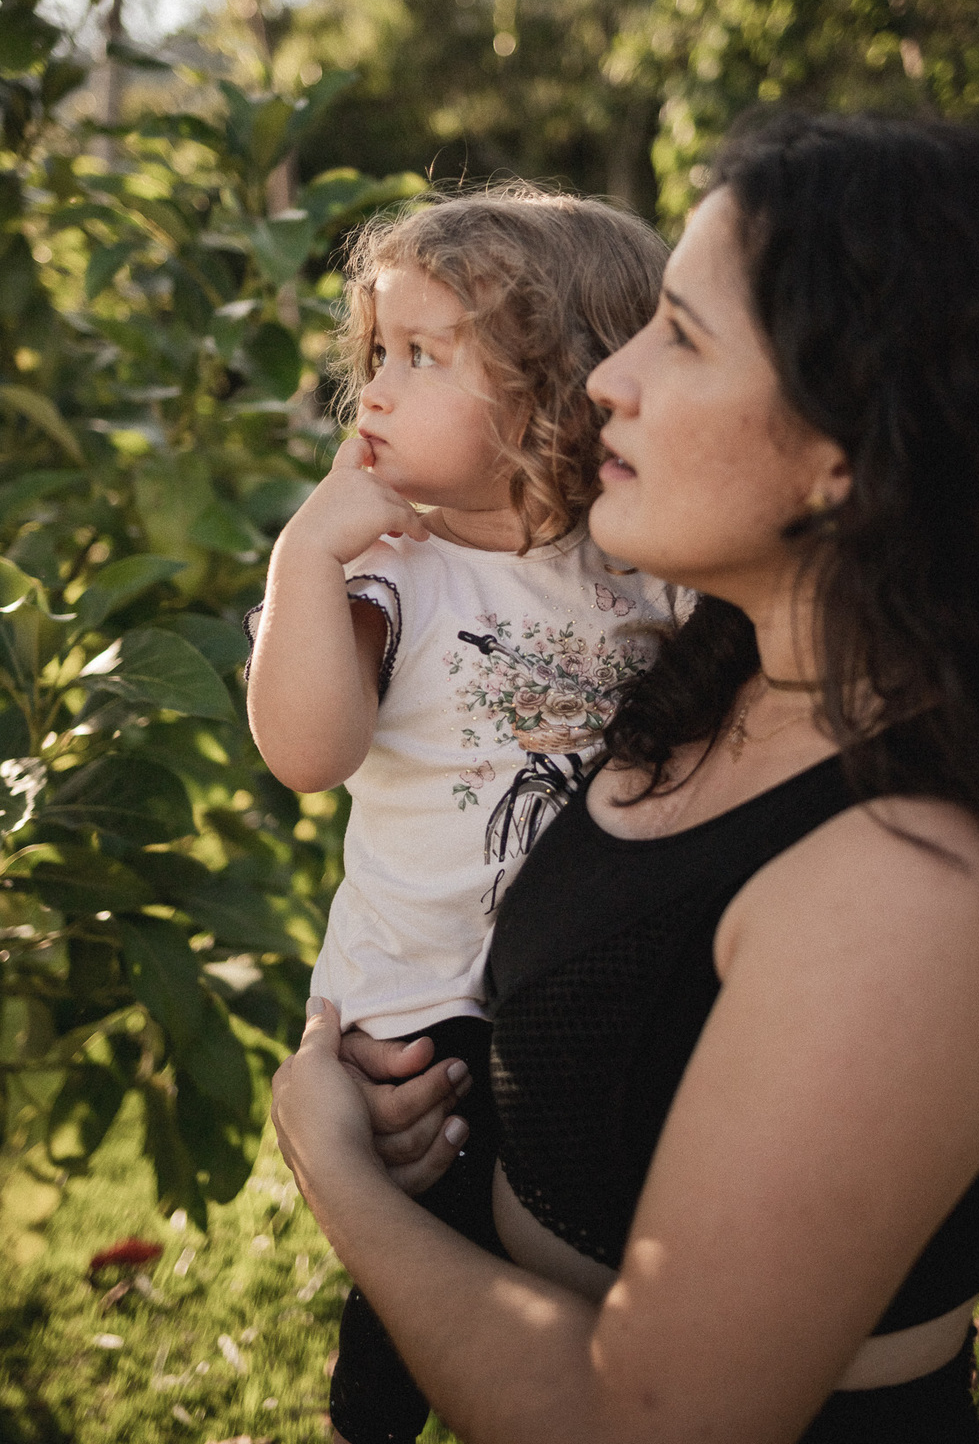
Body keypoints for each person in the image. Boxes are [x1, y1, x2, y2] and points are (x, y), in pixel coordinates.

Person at [269, 112, 979, 1444]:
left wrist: (334, 1162)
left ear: (850, 446)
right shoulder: (718, 669)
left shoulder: (929, 891)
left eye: (681, 337)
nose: (603, 378)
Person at [245, 185, 693, 1444]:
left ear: (559, 384)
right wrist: (305, 559)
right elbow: (308, 754)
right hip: (423, 1016)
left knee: (580, 1261)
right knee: (421, 1282)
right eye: (377, 352)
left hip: (589, 996)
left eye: (424, 356)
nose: (374, 391)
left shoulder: (640, 569)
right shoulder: (393, 573)